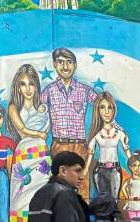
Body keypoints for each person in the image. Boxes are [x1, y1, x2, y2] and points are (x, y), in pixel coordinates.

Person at [41, 48, 97, 197]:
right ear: (54, 64)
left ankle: (82, 218)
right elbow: (37, 115)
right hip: (58, 146)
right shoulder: (48, 91)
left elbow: (104, 110)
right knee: (59, 187)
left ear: (75, 65)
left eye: (69, 62)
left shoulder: (85, 90)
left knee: (82, 185)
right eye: (60, 62)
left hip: (80, 146)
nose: (65, 67)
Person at [7, 64, 52, 222]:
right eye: (23, 84)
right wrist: (38, 133)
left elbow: (47, 131)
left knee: (42, 189)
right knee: (21, 193)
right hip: (24, 152)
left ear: (36, 86)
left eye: (31, 84)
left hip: (41, 153)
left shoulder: (43, 108)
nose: (27, 88)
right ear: (18, 87)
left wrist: (41, 133)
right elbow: (23, 129)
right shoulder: (14, 107)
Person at [85, 91, 131, 200]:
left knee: (114, 200)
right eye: (102, 107)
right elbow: (90, 154)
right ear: (97, 110)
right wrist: (85, 169)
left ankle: (112, 217)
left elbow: (127, 151)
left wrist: (134, 169)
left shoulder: (119, 132)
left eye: (109, 107)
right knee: (102, 201)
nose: (106, 112)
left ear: (114, 110)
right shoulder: (96, 133)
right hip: (99, 170)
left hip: (115, 170)